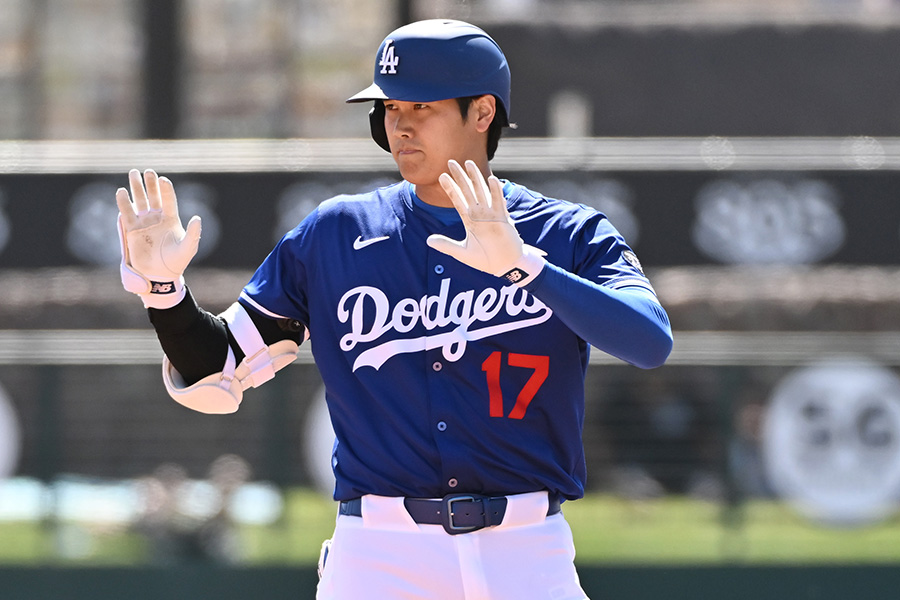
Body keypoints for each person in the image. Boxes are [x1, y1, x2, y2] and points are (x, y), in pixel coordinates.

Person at [115, 18, 673, 600]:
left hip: (527, 552)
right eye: (389, 108)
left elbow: (650, 341)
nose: (399, 125)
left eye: (421, 107)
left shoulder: (565, 234)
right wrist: (164, 292)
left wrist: (526, 267)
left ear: (482, 113)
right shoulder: (335, 235)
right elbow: (217, 372)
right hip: (379, 557)